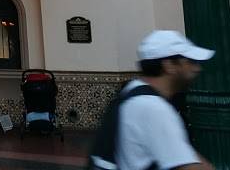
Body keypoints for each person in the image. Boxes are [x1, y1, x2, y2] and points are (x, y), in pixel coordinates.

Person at [88, 30, 215, 170]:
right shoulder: (154, 107)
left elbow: (180, 151)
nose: (197, 68)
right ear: (169, 66)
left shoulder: (133, 90)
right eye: (190, 62)